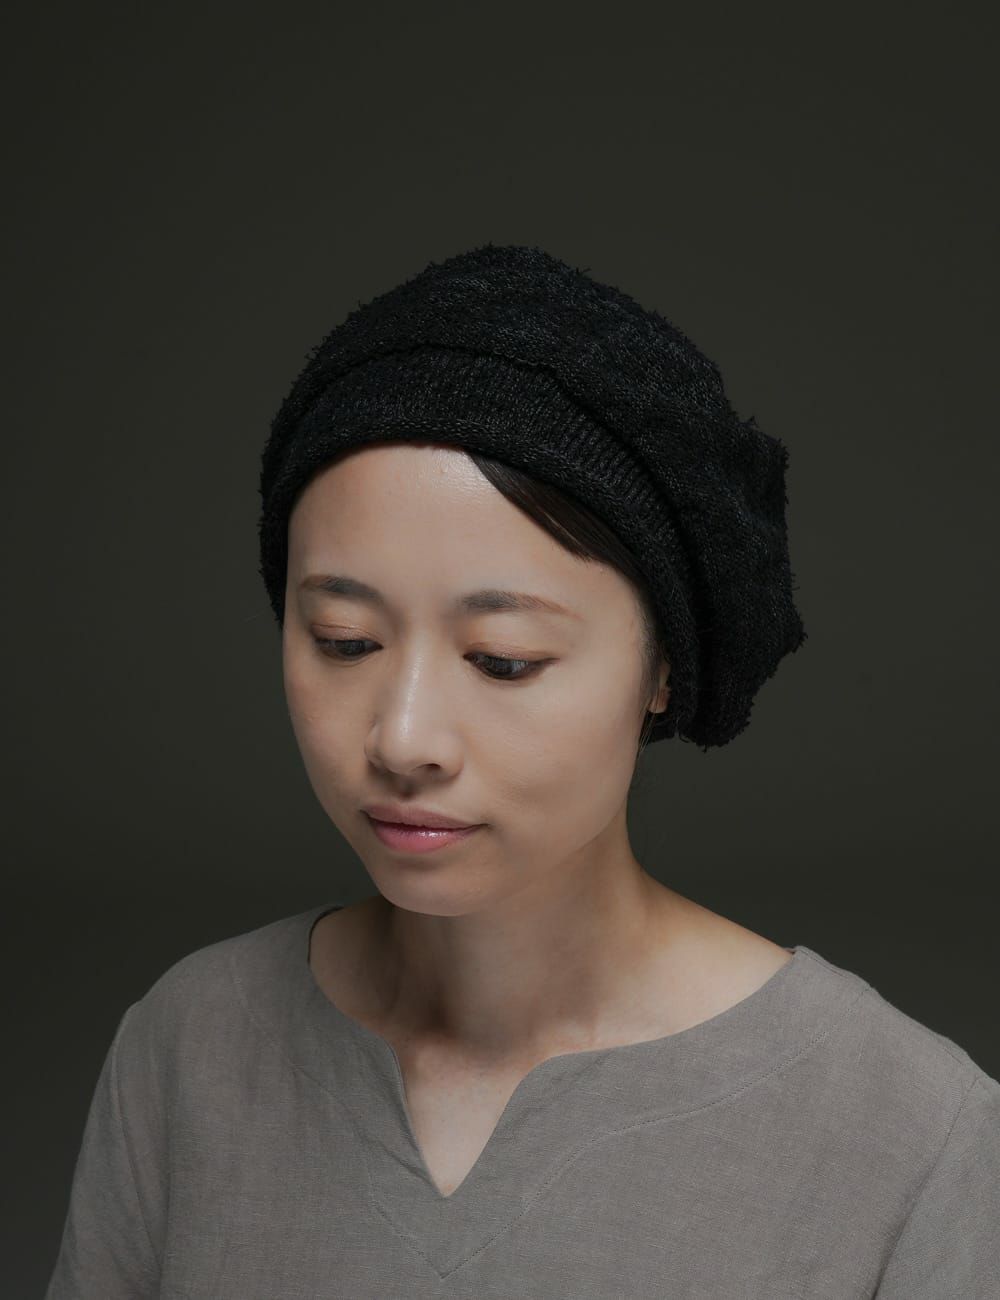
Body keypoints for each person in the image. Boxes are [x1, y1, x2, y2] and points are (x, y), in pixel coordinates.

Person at [46, 245, 999, 1298]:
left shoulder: (908, 1132)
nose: (404, 739)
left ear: (663, 669)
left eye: (503, 659)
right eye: (344, 640)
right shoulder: (189, 1045)